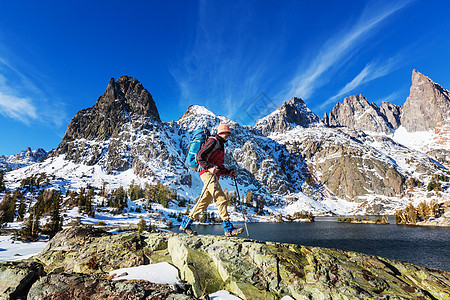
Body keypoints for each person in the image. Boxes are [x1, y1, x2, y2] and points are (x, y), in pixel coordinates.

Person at [180, 124, 244, 237]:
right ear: (220, 133)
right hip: (207, 173)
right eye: (226, 133)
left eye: (229, 133)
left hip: (212, 174)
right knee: (221, 198)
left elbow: (218, 165)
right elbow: (200, 156)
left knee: (203, 202)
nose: (228, 135)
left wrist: (228, 172)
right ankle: (228, 229)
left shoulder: (220, 145)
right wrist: (209, 167)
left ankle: (185, 225)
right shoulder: (212, 141)